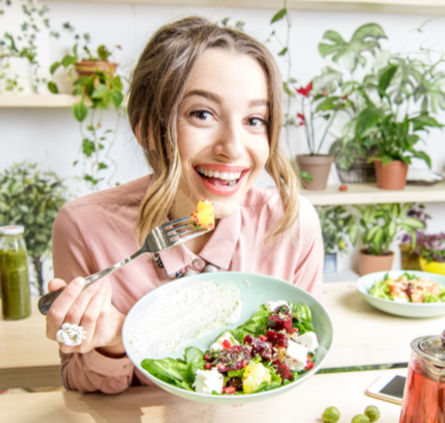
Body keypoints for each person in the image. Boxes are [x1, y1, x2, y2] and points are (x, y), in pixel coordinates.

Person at [45, 16, 324, 394]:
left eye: (255, 120)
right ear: (146, 128)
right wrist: (113, 340)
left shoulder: (291, 226)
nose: (233, 147)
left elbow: (304, 362)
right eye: (202, 114)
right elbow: (79, 380)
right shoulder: (85, 229)